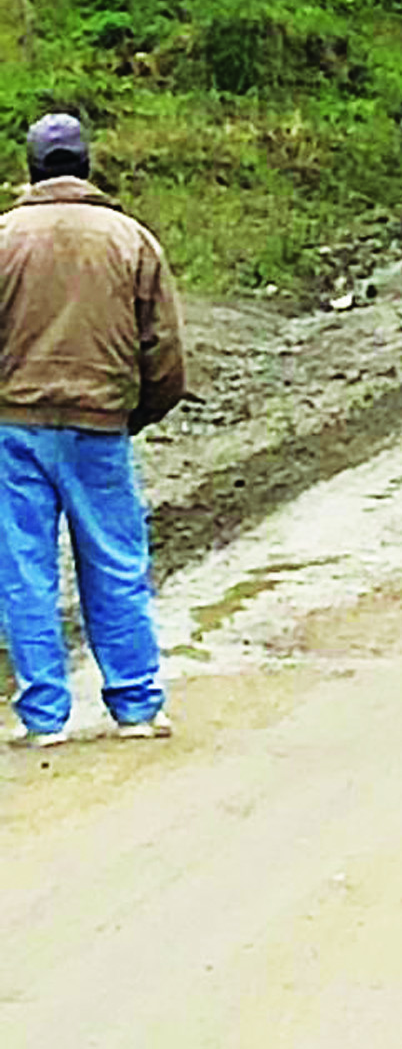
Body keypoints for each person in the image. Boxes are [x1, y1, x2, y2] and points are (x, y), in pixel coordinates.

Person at [0, 112, 189, 747]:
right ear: (86, 166)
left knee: (24, 569)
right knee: (114, 562)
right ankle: (136, 705)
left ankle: (44, 717)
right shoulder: (131, 240)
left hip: (14, 429)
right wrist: (134, 414)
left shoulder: (2, 238)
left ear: (30, 169)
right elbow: (163, 350)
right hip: (100, 425)